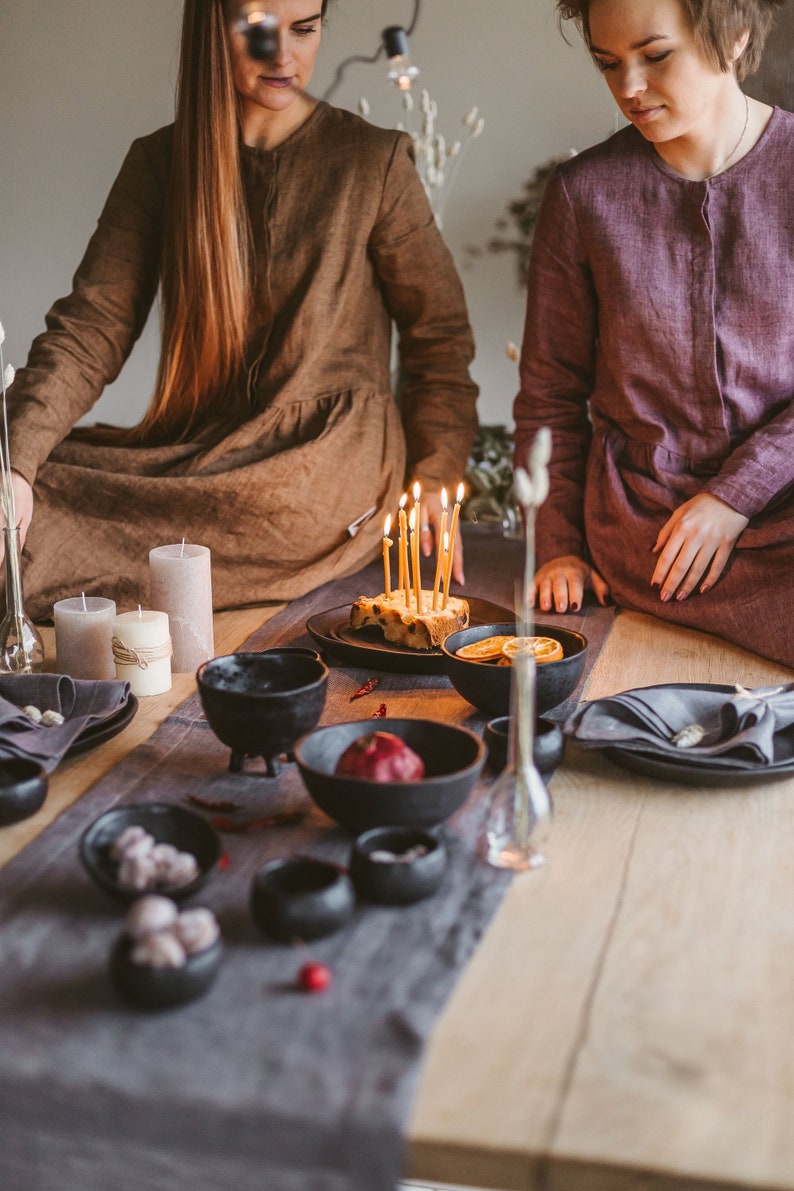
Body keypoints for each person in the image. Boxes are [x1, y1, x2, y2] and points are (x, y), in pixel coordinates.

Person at [5, 0, 477, 620]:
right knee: (43, 478)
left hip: (316, 475)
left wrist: (438, 478)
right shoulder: (159, 163)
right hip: (203, 449)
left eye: (305, 30)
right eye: (258, 31)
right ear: (211, 29)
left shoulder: (373, 161)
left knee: (47, 528)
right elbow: (90, 329)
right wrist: (15, 463)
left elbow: (438, 338)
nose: (284, 55)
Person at [514, 0, 794, 670]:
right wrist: (557, 545)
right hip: (651, 525)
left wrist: (735, 494)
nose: (628, 88)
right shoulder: (584, 196)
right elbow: (550, 395)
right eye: (608, 63)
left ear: (737, 35)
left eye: (655, 55)